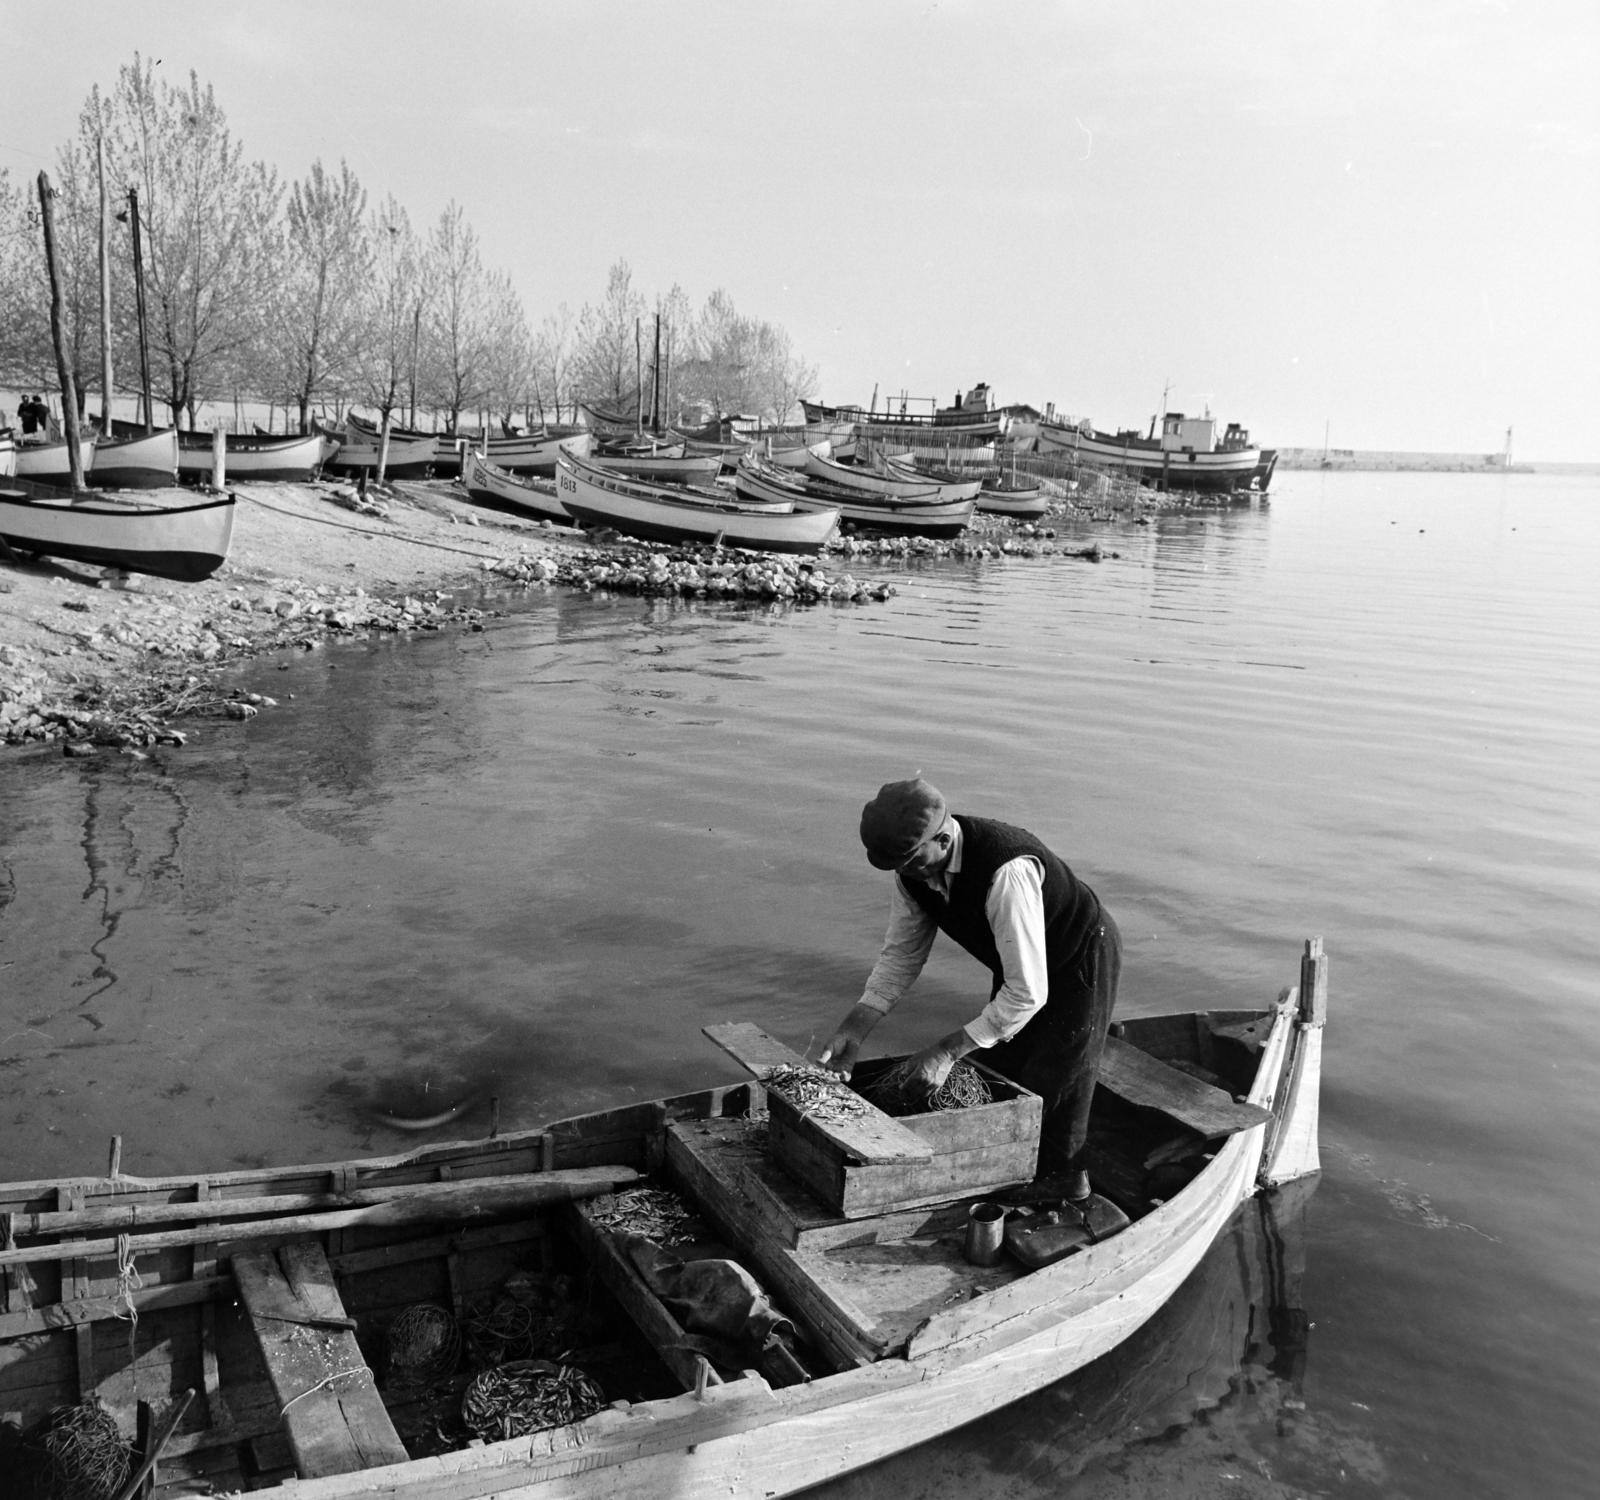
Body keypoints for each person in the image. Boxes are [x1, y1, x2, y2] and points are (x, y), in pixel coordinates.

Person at [820, 777, 1120, 1201]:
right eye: (895, 866)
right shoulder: (912, 870)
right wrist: (854, 1030)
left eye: (908, 860)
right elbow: (901, 957)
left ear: (942, 838)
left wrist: (944, 1051)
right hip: (1020, 964)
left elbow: (1027, 993)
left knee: (1058, 1077)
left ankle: (1063, 1183)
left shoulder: (1005, 871)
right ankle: (1006, 1164)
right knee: (1009, 1061)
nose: (904, 873)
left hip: (1079, 954)